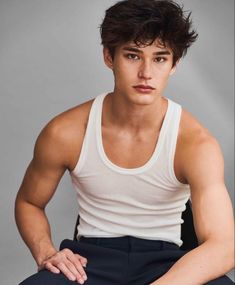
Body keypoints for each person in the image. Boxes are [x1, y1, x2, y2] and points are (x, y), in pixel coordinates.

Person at [15, 0, 235, 284]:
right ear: (109, 57)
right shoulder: (65, 132)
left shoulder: (195, 143)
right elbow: (29, 201)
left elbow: (223, 245)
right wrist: (46, 252)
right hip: (89, 262)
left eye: (159, 58)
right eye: (133, 56)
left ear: (174, 64)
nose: (146, 73)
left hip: (167, 264)